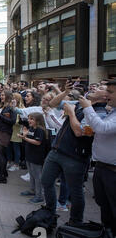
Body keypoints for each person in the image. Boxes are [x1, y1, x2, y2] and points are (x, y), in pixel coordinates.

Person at [41, 82, 93, 226]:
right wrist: (64, 91)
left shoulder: (89, 111)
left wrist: (70, 113)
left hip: (75, 158)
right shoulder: (73, 104)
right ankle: (49, 213)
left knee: (75, 191)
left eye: (68, 97)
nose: (64, 101)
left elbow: (79, 132)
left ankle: (75, 222)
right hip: (56, 152)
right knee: (46, 181)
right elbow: (52, 103)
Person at [79, 80, 116, 237]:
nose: (106, 94)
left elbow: (102, 128)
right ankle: (106, 237)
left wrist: (87, 107)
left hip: (112, 172)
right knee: (104, 206)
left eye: (111, 92)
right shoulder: (111, 112)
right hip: (102, 167)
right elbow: (95, 128)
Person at [18, 113, 49, 204]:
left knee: (38, 176)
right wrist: (24, 133)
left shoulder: (40, 130)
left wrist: (24, 138)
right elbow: (28, 136)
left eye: (32, 119)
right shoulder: (32, 128)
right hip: (30, 156)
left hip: (37, 157)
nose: (29, 120)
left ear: (38, 121)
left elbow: (37, 142)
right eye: (29, 118)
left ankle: (39, 196)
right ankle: (32, 190)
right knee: (32, 174)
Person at [0, 91, 16, 184]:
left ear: (8, 96)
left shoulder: (11, 108)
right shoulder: (2, 106)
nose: (1, 96)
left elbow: (12, 121)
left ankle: (2, 177)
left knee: (1, 154)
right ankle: (3, 172)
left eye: (3, 95)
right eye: (1, 95)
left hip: (4, 132)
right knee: (0, 153)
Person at [7, 93, 24, 172]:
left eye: (14, 98)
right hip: (10, 129)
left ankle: (16, 164)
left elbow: (20, 121)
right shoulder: (9, 107)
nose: (12, 100)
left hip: (17, 130)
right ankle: (9, 161)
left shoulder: (22, 108)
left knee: (16, 148)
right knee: (9, 147)